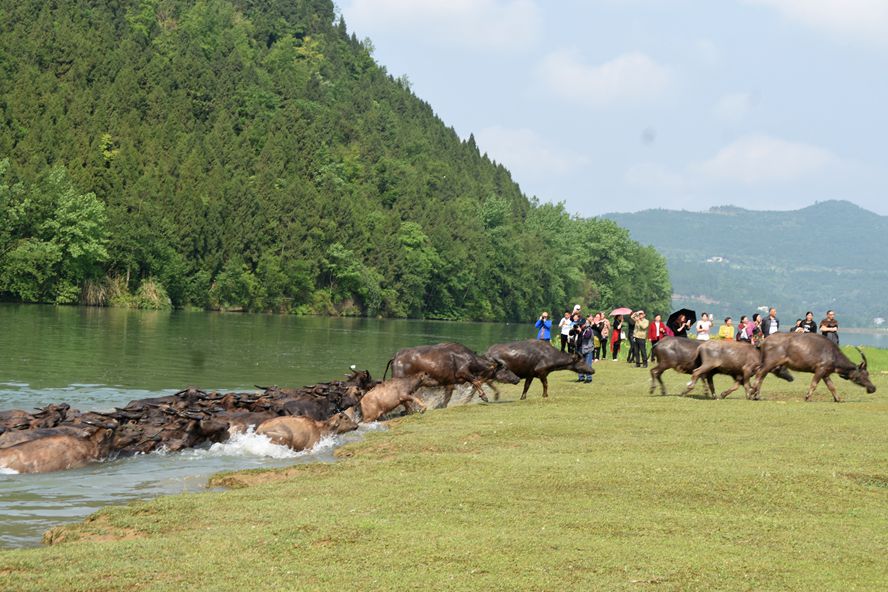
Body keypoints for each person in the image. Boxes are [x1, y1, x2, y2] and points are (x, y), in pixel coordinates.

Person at [577, 317, 594, 383]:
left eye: (581, 324)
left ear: (585, 323)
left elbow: (587, 336)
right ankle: (581, 378)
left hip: (588, 350)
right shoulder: (580, 329)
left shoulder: (588, 329)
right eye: (579, 324)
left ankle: (589, 378)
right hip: (581, 349)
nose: (580, 325)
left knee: (587, 364)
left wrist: (580, 331)